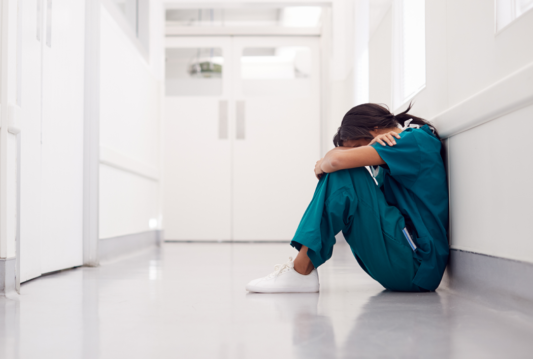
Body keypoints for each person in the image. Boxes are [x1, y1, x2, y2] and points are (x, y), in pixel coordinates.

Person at [245, 103, 449, 293]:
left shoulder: (411, 141)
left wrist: (325, 162)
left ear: (375, 129)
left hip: (417, 263)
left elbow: (334, 162)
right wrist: (334, 160)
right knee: (344, 172)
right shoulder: (400, 145)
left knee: (344, 172)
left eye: (356, 147)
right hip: (407, 260)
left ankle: (301, 270)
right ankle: (301, 270)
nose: (356, 153)